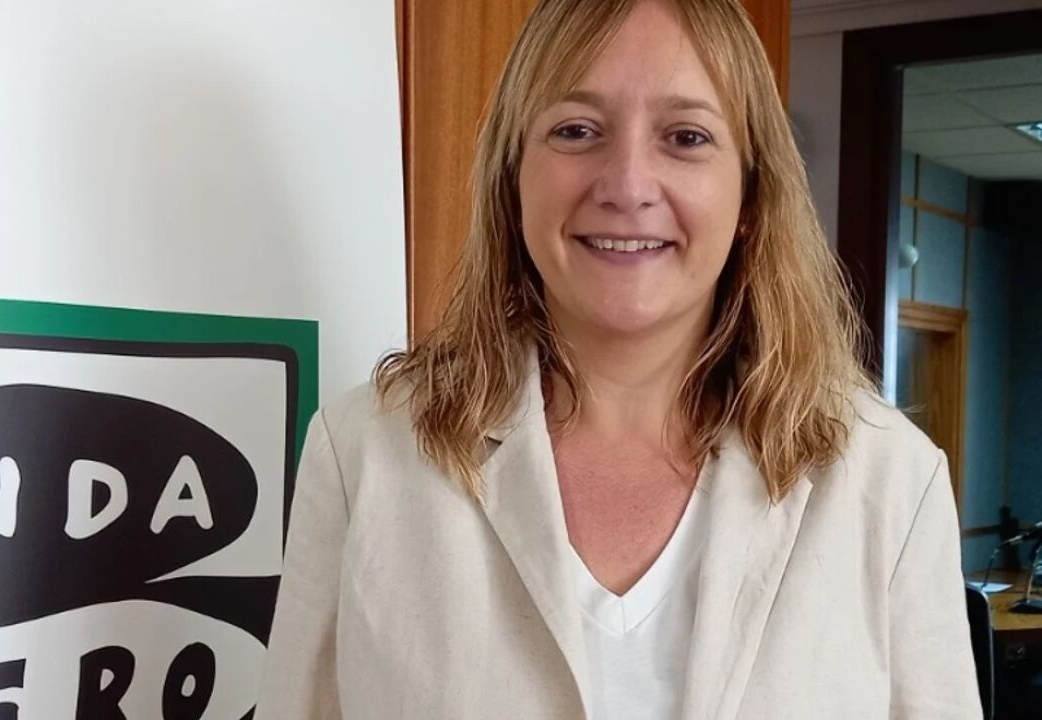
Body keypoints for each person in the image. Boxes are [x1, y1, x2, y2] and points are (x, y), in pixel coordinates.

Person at [255, 0, 980, 717]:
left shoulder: (891, 484)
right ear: (512, 178)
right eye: (576, 130)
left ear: (751, 196)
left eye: (686, 137)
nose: (627, 186)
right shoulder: (362, 454)